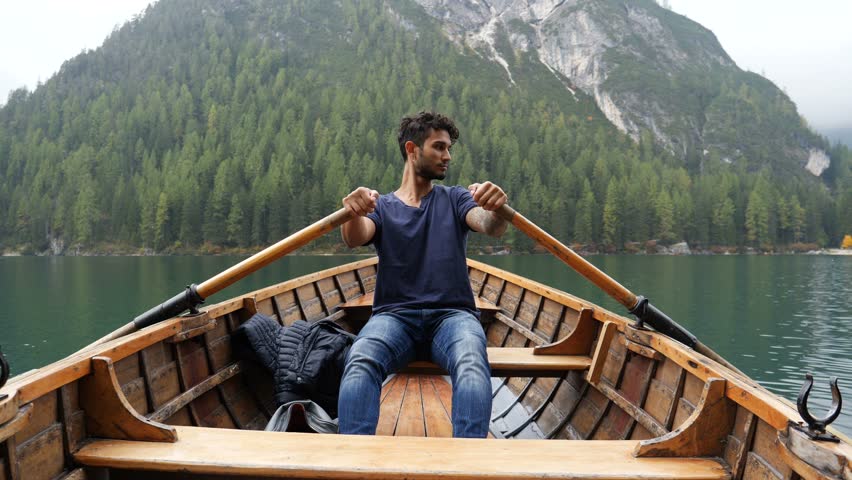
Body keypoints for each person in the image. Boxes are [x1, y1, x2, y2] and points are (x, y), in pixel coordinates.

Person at [336, 111, 508, 438]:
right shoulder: (382, 207)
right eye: (439, 147)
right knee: (360, 360)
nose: (448, 156)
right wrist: (353, 212)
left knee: (472, 361)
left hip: (452, 316)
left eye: (449, 148)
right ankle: (353, 462)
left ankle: (469, 465)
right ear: (413, 150)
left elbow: (488, 225)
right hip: (394, 317)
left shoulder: (456, 198)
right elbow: (355, 236)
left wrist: (496, 209)